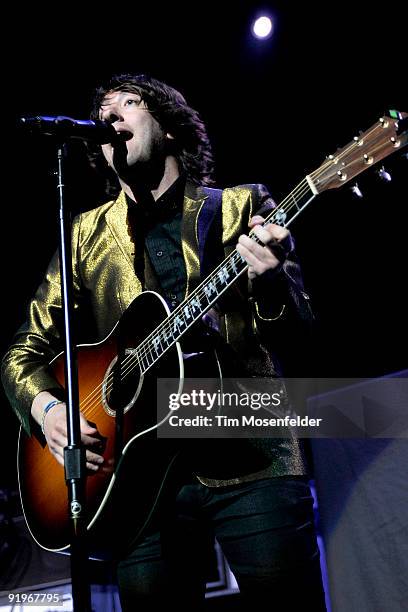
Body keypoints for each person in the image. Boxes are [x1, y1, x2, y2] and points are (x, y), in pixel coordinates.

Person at [1, 73, 326, 610]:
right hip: (139, 484)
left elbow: (302, 336)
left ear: (171, 129)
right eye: (104, 111)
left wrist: (268, 282)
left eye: (129, 104)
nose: (112, 117)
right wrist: (48, 408)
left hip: (250, 457)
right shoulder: (83, 234)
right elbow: (23, 351)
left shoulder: (241, 207)